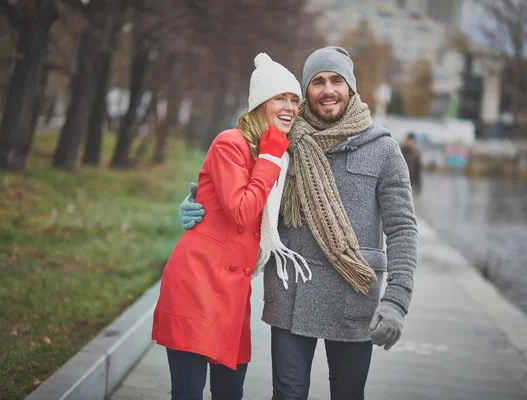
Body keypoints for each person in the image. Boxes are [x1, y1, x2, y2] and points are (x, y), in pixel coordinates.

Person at [179, 46, 419, 400]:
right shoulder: (281, 139)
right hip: (292, 296)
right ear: (307, 90)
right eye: (317, 81)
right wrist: (195, 208)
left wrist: (396, 301)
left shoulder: (382, 148)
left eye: (336, 80)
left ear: (350, 87)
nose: (327, 89)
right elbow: (238, 193)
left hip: (353, 298)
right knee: (287, 395)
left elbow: (402, 228)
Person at [152, 53, 303, 400]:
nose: (289, 107)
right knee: (188, 393)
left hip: (234, 297)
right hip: (198, 284)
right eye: (280, 97)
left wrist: (272, 156)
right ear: (260, 103)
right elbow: (240, 211)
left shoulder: (280, 153)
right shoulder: (231, 143)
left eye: (295, 100)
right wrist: (268, 159)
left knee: (229, 393)